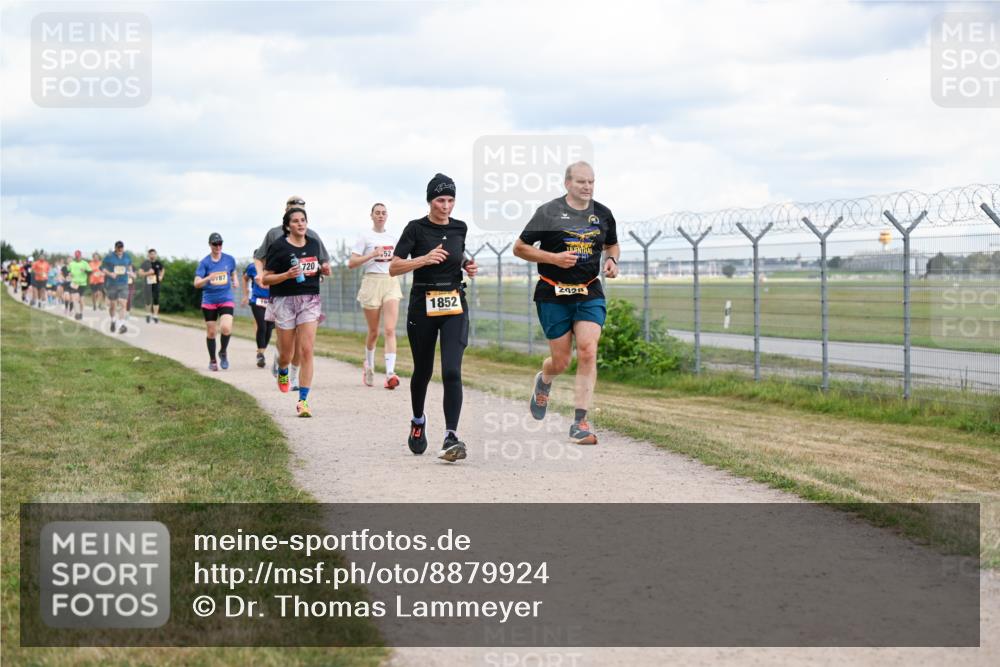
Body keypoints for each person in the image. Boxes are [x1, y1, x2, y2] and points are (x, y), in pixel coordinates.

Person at [513, 161, 619, 445]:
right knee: (561, 362)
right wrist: (554, 258)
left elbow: (612, 244)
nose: (587, 187)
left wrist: (611, 259)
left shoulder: (603, 214)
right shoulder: (548, 212)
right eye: (582, 182)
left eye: (591, 182)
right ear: (567, 183)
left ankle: (580, 421)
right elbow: (519, 248)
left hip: (588, 291)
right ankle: (545, 380)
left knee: (587, 350)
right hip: (553, 292)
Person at [389, 173, 479, 463]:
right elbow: (394, 267)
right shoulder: (415, 229)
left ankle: (451, 436)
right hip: (422, 305)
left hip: (453, 303)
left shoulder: (459, 227)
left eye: (451, 200)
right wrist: (424, 259)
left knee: (452, 370)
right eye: (441, 200)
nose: (446, 206)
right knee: (423, 371)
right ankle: (418, 421)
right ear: (430, 201)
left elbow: (458, 252)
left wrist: (467, 264)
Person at [253, 195, 332, 386]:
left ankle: (296, 380)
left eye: (302, 216)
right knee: (287, 347)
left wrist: (324, 268)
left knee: (305, 346)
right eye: (293, 212)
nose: (299, 221)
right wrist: (259, 274)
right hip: (284, 295)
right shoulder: (274, 235)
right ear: (286, 214)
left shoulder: (312, 237)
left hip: (308, 296)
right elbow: (259, 257)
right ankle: (283, 363)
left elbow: (324, 260)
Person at [349, 202, 403, 389]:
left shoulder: (393, 237)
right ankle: (369, 365)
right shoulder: (365, 236)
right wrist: (372, 254)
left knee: (390, 329)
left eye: (383, 213)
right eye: (377, 213)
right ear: (371, 215)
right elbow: (352, 263)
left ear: (387, 216)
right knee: (374, 331)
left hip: (390, 282)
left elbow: (399, 258)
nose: (380, 215)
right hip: (371, 282)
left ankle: (390, 373)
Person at [194, 233, 238, 371]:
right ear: (210, 245)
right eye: (215, 244)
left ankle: (223, 351)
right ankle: (213, 360)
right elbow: (196, 284)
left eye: (220, 244)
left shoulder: (229, 259)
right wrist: (208, 278)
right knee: (212, 332)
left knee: (226, 328)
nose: (218, 246)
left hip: (226, 298)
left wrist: (235, 280)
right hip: (210, 301)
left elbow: (233, 272)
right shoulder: (204, 263)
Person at [242, 256, 274, 368]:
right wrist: (246, 294)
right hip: (257, 301)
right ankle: (260, 354)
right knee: (262, 326)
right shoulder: (252, 267)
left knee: (269, 327)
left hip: (272, 302)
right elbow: (245, 278)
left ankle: (262, 352)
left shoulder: (275, 266)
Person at [101, 241, 134, 333]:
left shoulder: (127, 256)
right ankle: (113, 320)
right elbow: (102, 268)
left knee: (123, 303)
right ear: (115, 248)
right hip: (112, 284)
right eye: (118, 247)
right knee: (113, 305)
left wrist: (131, 272)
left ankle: (121, 325)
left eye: (121, 247)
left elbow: (129, 266)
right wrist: (110, 273)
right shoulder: (109, 257)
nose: (120, 249)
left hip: (123, 283)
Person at [139, 249, 165, 323]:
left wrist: (161, 276)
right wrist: (148, 273)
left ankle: (155, 315)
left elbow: (162, 270)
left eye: (154, 254)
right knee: (148, 299)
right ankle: (148, 314)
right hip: (147, 283)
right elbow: (140, 273)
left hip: (156, 283)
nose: (152, 255)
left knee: (156, 299)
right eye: (151, 254)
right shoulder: (145, 263)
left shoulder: (158, 263)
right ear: (148, 255)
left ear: (156, 255)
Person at [66, 250, 91, 321]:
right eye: (76, 257)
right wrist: (69, 274)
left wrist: (85, 271)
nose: (77, 258)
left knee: (81, 300)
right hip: (74, 283)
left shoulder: (85, 263)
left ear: (81, 256)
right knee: (74, 298)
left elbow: (90, 272)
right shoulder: (71, 264)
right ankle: (77, 313)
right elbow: (67, 271)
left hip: (83, 284)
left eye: (78, 256)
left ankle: (81, 313)